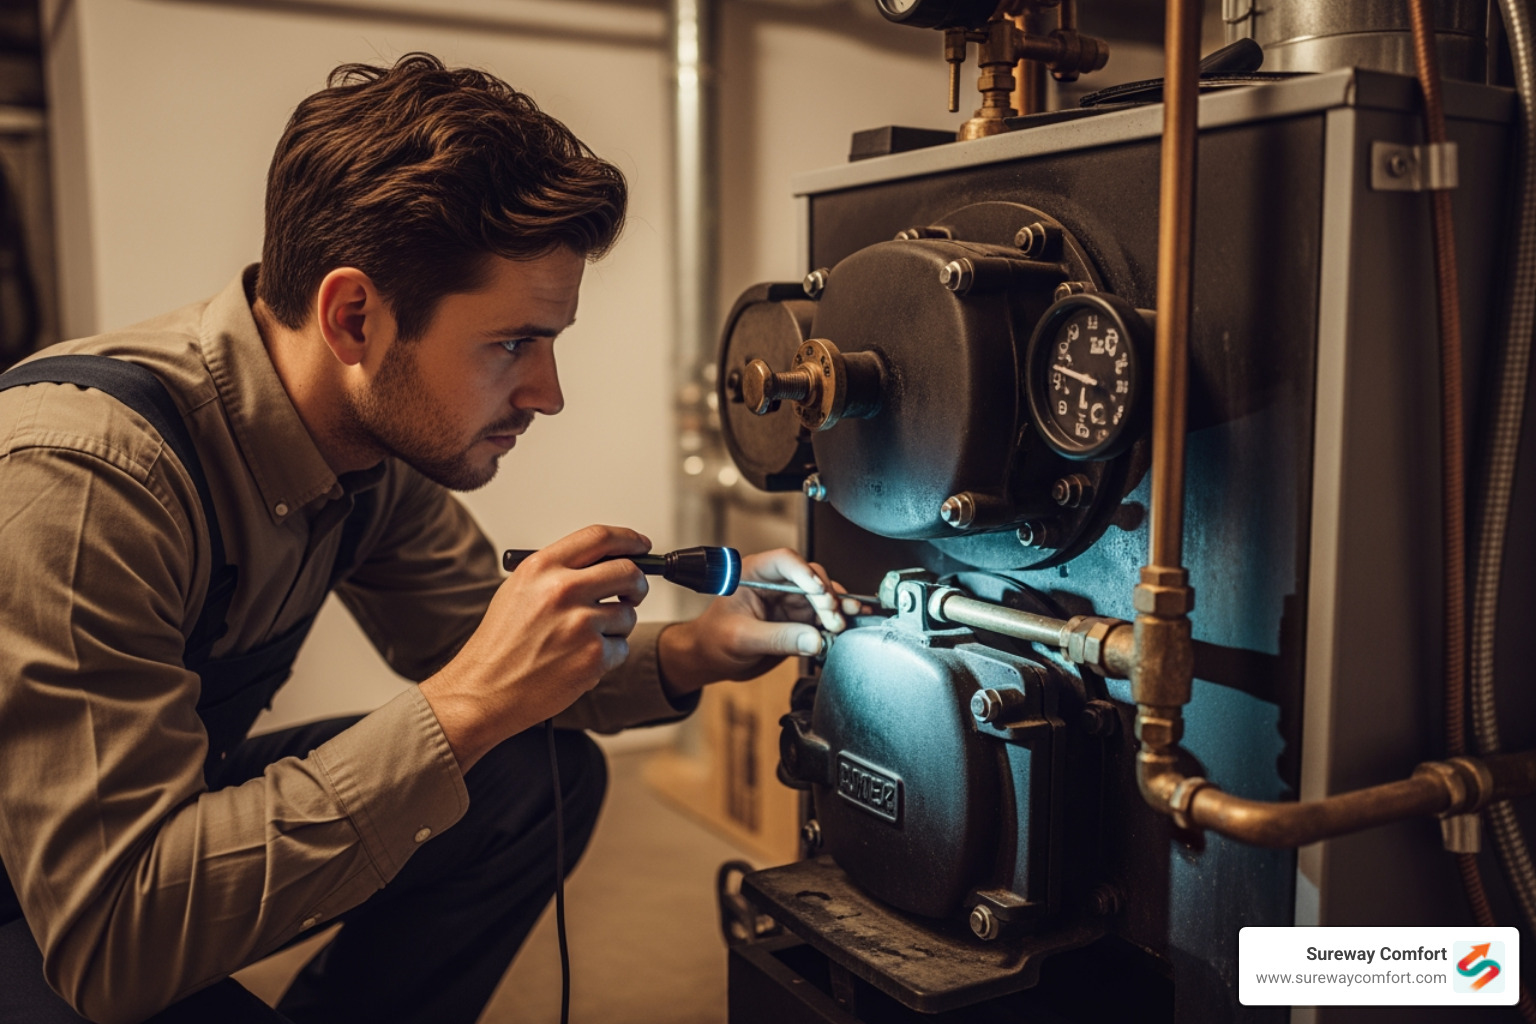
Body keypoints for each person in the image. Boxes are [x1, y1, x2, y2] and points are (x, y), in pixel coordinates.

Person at [0, 53, 846, 1024]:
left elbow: (475, 642)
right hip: (66, 900)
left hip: (129, 829)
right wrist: (469, 702)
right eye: (512, 343)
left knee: (529, 773)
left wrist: (703, 643)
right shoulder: (86, 477)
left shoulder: (370, 445)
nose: (548, 394)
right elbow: (112, 941)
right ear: (355, 316)